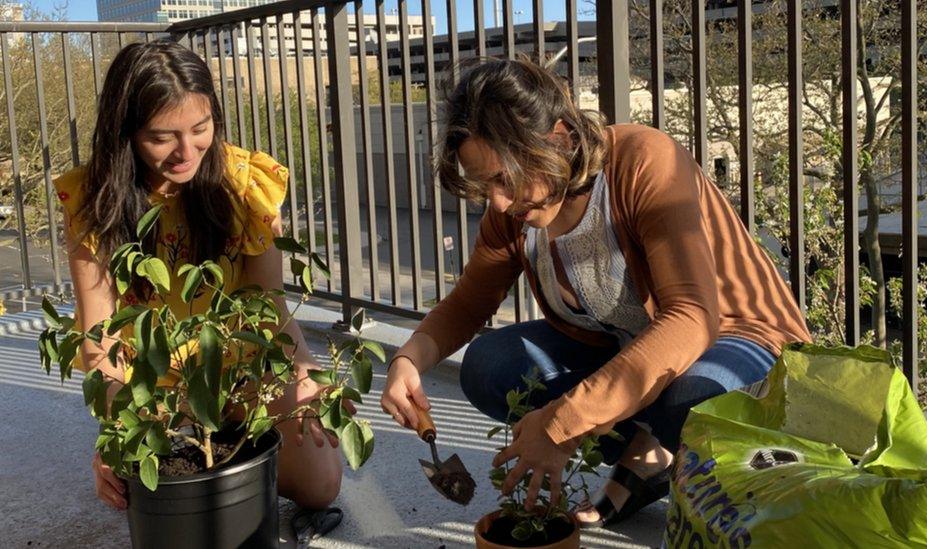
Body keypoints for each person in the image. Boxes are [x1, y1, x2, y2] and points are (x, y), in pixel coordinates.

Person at [380, 57, 811, 528]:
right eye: (485, 184)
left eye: (504, 177)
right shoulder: (510, 215)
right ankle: (650, 454)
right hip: (630, 346)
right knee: (489, 366)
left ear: (559, 139)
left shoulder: (645, 161)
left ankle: (668, 464)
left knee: (692, 402)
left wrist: (563, 423)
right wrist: (408, 360)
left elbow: (692, 318)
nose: (498, 202)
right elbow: (468, 303)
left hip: (739, 337)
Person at [53, 40, 343, 538]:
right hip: (152, 388)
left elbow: (267, 306)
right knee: (163, 499)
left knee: (321, 484)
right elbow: (99, 339)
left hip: (237, 364)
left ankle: (232, 431)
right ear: (127, 133)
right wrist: (117, 431)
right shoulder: (95, 203)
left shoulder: (243, 185)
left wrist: (304, 373)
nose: (187, 152)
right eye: (162, 137)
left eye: (200, 129)